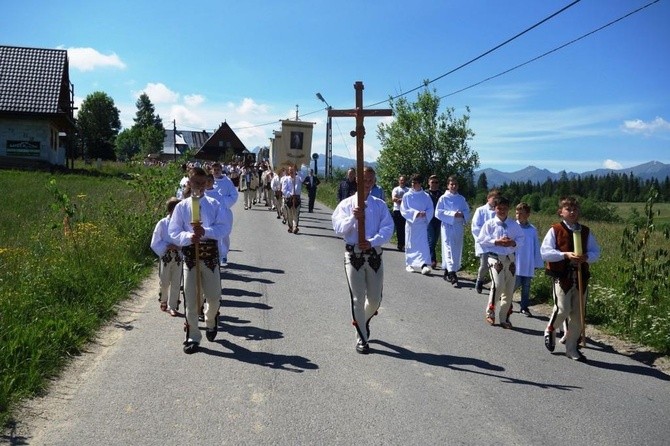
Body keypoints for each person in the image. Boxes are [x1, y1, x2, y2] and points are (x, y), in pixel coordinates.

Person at [168, 167, 231, 354]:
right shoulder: (181, 206)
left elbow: (224, 228)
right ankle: (193, 336)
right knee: (191, 298)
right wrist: (188, 236)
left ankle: (211, 319)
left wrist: (206, 232)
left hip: (210, 257)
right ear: (189, 182)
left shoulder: (214, 204)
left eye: (203, 183)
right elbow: (174, 231)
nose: (200, 187)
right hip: (190, 258)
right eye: (196, 183)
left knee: (213, 296)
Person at [332, 166, 394, 354]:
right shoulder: (346, 204)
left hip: (374, 255)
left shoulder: (379, 205)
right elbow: (338, 228)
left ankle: (363, 320)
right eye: (364, 179)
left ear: (374, 182)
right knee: (358, 299)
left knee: (374, 300)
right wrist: (353, 217)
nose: (367, 182)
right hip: (354, 256)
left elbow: (388, 228)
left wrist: (372, 241)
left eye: (370, 180)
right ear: (357, 180)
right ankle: (362, 338)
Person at [541, 196, 600, 362]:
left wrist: (586, 257)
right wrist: (564, 255)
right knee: (562, 309)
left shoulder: (585, 231)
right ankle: (551, 329)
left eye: (575, 209)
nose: (572, 212)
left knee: (578, 314)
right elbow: (545, 252)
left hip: (581, 275)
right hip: (562, 275)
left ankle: (572, 347)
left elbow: (596, 252)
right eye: (569, 209)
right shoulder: (555, 230)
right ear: (561, 212)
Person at [476, 196, 524, 329]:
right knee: (498, 285)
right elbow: (481, 240)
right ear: (494, 209)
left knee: (509, 290)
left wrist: (513, 242)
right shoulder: (490, 224)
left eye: (504, 208)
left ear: (508, 209)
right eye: (499, 208)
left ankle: (504, 317)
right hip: (495, 257)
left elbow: (521, 239)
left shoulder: (514, 225)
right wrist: (496, 242)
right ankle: (490, 311)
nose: (502, 211)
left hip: (510, 259)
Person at [435, 175, 470, 287]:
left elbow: (467, 211)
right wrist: (452, 214)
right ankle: (452, 273)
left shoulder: (461, 199)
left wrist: (463, 214)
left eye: (455, 184)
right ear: (448, 185)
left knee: (456, 248)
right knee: (448, 247)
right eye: (451, 184)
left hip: (458, 226)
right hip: (447, 226)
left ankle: (448, 270)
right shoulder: (443, 198)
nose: (454, 186)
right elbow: (438, 212)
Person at [150, 197, 182, 317]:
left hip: (178, 256)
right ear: (170, 210)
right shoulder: (163, 223)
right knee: (164, 281)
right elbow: (155, 242)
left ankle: (172, 306)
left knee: (176, 282)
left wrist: (181, 247)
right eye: (175, 209)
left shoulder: (183, 223)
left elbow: (186, 239)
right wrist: (167, 246)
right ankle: (163, 299)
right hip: (166, 256)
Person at [514, 202, 543, 316]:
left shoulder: (532, 230)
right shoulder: (513, 227)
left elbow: (536, 246)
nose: (518, 215)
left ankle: (524, 307)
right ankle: (506, 301)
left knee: (526, 286)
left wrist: (536, 262)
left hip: (528, 262)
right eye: (517, 213)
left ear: (527, 215)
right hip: (516, 261)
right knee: (514, 284)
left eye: (521, 213)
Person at [400, 174, 433, 275]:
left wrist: (425, 214)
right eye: (412, 183)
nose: (413, 184)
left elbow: (431, 209)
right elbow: (403, 209)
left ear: (420, 183)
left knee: (423, 244)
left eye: (416, 183)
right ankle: (409, 264)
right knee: (410, 243)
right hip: (411, 224)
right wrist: (415, 213)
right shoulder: (407, 195)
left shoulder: (426, 196)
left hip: (422, 224)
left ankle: (423, 265)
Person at [471, 189, 499, 293]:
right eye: (494, 199)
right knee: (484, 265)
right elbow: (475, 226)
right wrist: (485, 237)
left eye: (497, 199)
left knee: (496, 265)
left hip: (496, 244)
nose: (495, 201)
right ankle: (480, 280)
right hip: (484, 243)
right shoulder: (481, 210)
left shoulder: (499, 212)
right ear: (488, 198)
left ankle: (495, 286)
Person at [210, 163, 238, 265]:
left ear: (221, 170)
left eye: (218, 169)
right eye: (214, 169)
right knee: (213, 233)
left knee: (224, 234)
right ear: (211, 170)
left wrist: (223, 202)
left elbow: (234, 195)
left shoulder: (227, 182)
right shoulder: (209, 181)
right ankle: (215, 254)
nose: (216, 171)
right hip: (212, 212)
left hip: (224, 212)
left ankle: (224, 254)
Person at [281, 165, 304, 234]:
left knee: (296, 214)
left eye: (292, 170)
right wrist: (290, 195)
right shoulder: (286, 179)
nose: (291, 172)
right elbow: (284, 190)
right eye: (290, 170)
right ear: (288, 171)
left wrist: (298, 170)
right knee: (290, 214)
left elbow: (303, 179)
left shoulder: (298, 178)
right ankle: (291, 226)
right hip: (289, 198)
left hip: (297, 198)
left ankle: (295, 227)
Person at [425, 175, 443, 269]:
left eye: (436, 182)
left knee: (435, 241)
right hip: (429, 219)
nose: (434, 184)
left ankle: (426, 257)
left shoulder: (441, 194)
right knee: (431, 240)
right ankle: (433, 260)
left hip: (438, 220)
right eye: (432, 182)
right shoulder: (425, 194)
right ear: (429, 183)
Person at [391, 175, 409, 251]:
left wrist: (401, 200)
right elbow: (394, 199)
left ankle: (405, 244)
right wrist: (402, 200)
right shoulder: (396, 189)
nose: (402, 181)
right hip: (397, 210)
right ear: (399, 181)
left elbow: (410, 200)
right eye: (401, 180)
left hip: (406, 211)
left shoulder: (408, 190)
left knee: (406, 228)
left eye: (404, 180)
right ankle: (400, 244)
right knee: (399, 229)